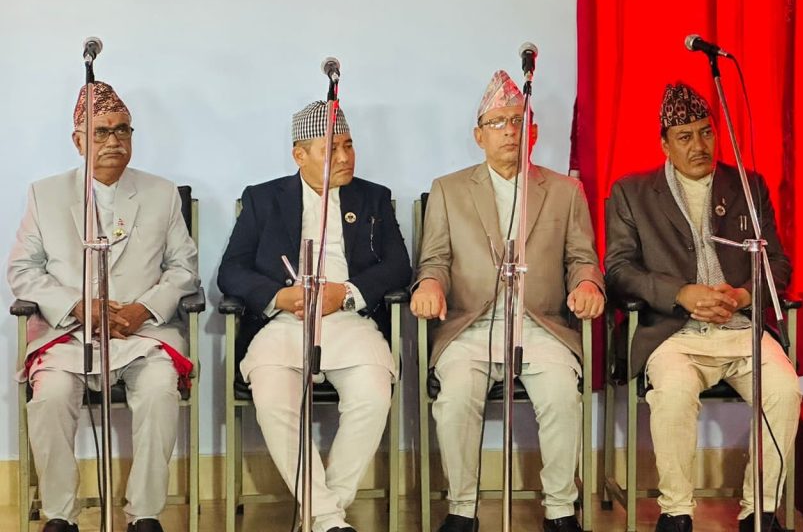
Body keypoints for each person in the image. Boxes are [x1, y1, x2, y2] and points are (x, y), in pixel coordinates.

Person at [411, 70, 605, 532]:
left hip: (541, 324)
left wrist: (588, 285)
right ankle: (462, 510)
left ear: (533, 131)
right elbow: (434, 259)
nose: (509, 131)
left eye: (518, 121)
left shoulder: (565, 191)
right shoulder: (449, 189)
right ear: (478, 135)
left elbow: (582, 258)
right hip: (471, 325)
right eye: (497, 123)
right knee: (456, 397)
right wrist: (429, 283)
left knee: (562, 396)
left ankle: (560, 509)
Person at [604, 81, 800, 532]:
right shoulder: (633, 192)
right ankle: (676, 513)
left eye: (706, 132)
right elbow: (618, 270)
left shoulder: (747, 186)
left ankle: (760, 511)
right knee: (673, 394)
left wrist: (743, 295)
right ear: (665, 144)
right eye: (685, 137)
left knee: (785, 390)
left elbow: (777, 263)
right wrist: (680, 292)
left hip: (740, 328)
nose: (699, 145)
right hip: (673, 333)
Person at [7, 81, 200, 532]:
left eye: (123, 130)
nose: (114, 141)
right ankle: (60, 514)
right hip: (69, 335)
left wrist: (144, 309)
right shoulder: (46, 194)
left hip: (143, 334)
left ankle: (145, 514)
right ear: (78, 141)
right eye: (101, 132)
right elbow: (22, 270)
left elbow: (184, 268)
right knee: (50, 396)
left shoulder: (161, 193)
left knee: (160, 390)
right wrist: (77, 306)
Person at [218, 100, 412, 532]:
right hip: (284, 323)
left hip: (349, 320)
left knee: (373, 396)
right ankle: (328, 519)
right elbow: (231, 270)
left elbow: (399, 266)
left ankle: (322, 516)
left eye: (349, 145)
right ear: (299, 155)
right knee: (273, 400)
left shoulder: (374, 197)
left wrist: (347, 292)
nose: (344, 157)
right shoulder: (263, 199)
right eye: (331, 149)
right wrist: (278, 296)